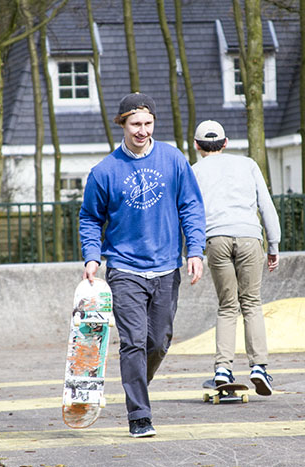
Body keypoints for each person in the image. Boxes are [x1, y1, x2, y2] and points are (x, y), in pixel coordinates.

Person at [79, 92, 206, 438]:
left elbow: (191, 207)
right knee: (133, 341)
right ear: (122, 124)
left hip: (166, 266)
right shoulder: (105, 171)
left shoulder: (173, 160)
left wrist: (195, 250)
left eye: (148, 124)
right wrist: (92, 256)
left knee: (159, 342)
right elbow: (90, 218)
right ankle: (139, 414)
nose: (142, 131)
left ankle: (135, 381)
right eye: (135, 124)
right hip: (124, 268)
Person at [191, 120, 281, 396]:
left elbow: (188, 212)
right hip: (249, 237)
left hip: (215, 239)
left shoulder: (193, 171)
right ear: (226, 142)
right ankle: (259, 367)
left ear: (196, 146)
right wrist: (273, 245)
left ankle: (222, 368)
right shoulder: (248, 164)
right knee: (251, 303)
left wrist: (191, 251)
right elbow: (266, 204)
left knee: (227, 306)